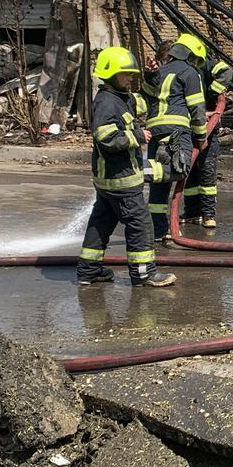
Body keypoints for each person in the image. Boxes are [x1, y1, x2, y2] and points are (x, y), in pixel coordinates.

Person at [77, 46, 174, 288]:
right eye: (127, 74)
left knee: (101, 223)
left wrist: (152, 76)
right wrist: (138, 136)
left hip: (109, 178)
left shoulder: (122, 98)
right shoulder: (107, 103)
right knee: (140, 223)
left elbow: (146, 101)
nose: (131, 78)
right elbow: (107, 139)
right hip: (121, 179)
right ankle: (143, 274)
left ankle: (89, 271)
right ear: (111, 75)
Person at [144, 34, 210, 241]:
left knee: (159, 186)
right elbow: (197, 107)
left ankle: (160, 230)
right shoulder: (190, 73)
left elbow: (147, 97)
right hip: (177, 129)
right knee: (179, 169)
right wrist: (201, 135)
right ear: (191, 56)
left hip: (155, 130)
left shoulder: (159, 72)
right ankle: (141, 172)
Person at [182, 59, 233, 229]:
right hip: (188, 127)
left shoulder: (206, 65)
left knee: (207, 171)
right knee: (189, 173)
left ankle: (208, 214)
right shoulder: (181, 73)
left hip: (207, 130)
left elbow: (227, 72)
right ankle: (192, 212)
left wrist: (212, 92)